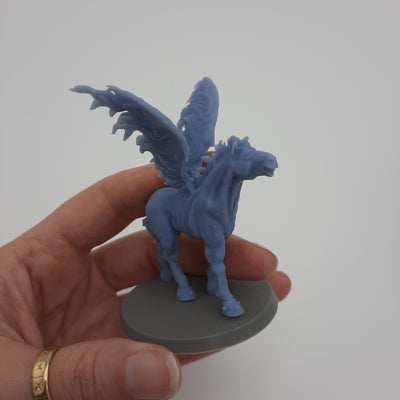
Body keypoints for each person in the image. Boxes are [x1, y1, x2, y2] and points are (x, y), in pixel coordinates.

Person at [0, 165, 291, 400]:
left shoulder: (224, 199)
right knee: (173, 249)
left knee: (217, 255)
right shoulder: (169, 201)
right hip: (170, 211)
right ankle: (195, 285)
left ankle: (208, 284)